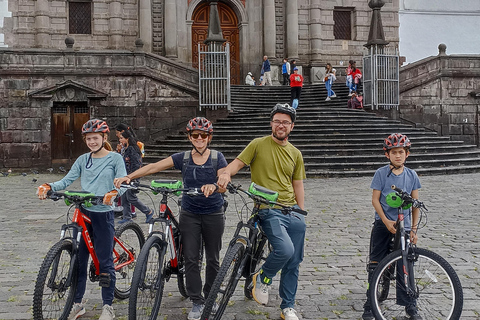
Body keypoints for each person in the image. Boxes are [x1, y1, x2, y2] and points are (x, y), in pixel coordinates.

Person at [113, 117, 227, 320]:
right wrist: (129, 177)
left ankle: (210, 296)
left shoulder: (217, 158)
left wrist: (216, 185)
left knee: (213, 259)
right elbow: (154, 167)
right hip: (190, 213)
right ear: (189, 137)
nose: (199, 138)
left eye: (203, 135)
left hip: (213, 213)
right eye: (195, 135)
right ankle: (197, 301)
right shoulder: (182, 158)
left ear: (209, 138)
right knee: (191, 258)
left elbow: (224, 179)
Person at [217, 104, 306, 320]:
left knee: (294, 260)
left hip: (291, 210)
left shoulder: (295, 153)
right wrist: (226, 174)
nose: (281, 125)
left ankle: (288, 306)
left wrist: (301, 212)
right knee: (285, 250)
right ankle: (263, 277)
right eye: (277, 121)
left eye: (285, 122)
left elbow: (297, 185)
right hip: (268, 208)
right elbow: (236, 164)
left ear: (291, 126)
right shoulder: (258, 144)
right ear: (271, 124)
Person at [36, 119, 127, 320]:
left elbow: (121, 180)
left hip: (102, 213)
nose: (92, 142)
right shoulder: (83, 159)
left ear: (104, 138)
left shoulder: (115, 158)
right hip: (83, 211)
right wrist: (49, 185)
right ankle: (77, 303)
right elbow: (67, 180)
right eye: (88, 139)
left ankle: (107, 306)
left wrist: (113, 192)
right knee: (79, 260)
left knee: (104, 261)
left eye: (95, 138)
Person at [362, 133, 422, 320]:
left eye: (401, 152)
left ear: (407, 154)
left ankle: (410, 304)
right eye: (394, 152)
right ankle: (370, 302)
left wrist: (413, 229)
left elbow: (415, 203)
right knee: (376, 262)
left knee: (406, 263)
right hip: (384, 222)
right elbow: (375, 200)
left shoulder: (412, 175)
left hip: (403, 226)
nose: (398, 155)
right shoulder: (381, 173)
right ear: (387, 154)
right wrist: (385, 221)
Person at [117, 130, 153, 224]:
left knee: (131, 197)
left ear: (127, 139)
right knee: (124, 197)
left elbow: (136, 164)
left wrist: (133, 176)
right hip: (125, 176)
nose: (120, 140)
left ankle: (148, 211)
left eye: (121, 138)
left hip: (132, 176)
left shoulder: (132, 149)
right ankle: (127, 217)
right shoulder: (125, 149)